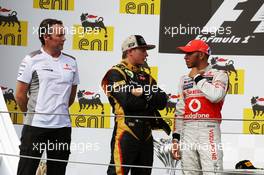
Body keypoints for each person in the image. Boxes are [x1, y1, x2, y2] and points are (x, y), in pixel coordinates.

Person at [15, 18, 79, 175]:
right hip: (36, 127)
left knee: (58, 171)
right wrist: (32, 115)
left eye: (64, 34)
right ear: (46, 37)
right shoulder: (31, 59)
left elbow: (71, 96)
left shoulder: (71, 61)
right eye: (60, 35)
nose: (64, 38)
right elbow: (20, 95)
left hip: (62, 128)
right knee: (26, 171)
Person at [101, 35, 171, 175]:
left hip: (146, 134)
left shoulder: (147, 77)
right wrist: (150, 97)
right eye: (143, 50)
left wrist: (142, 92)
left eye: (146, 50)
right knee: (117, 173)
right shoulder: (115, 73)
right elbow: (128, 102)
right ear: (130, 51)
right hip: (126, 131)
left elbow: (163, 101)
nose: (146, 54)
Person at [171, 39, 229, 174]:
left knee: (212, 172)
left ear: (201, 55)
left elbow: (215, 96)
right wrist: (175, 139)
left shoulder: (219, 75)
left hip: (208, 130)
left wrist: (197, 77)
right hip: (187, 131)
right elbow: (180, 111)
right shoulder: (184, 79)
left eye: (189, 54)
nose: (185, 57)